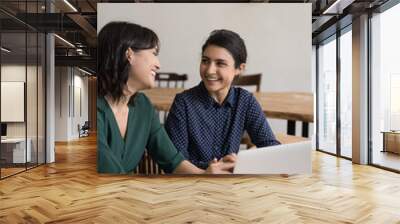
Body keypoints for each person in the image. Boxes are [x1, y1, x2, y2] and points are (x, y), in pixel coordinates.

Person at [97, 22, 234, 174]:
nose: (158, 64)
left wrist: (206, 174)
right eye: (154, 53)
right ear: (129, 54)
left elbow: (173, 161)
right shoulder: (94, 111)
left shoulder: (143, 106)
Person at [165, 29, 280, 170]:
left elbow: (271, 148)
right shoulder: (183, 103)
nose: (209, 70)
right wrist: (212, 168)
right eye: (205, 61)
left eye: (220, 63)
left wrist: (243, 161)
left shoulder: (245, 101)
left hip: (230, 183)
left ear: (239, 68)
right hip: (191, 184)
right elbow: (174, 161)